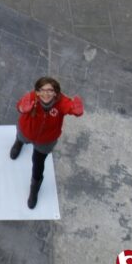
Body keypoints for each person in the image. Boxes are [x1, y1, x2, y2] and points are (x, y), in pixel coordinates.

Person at [10, 77, 84, 209]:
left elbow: (70, 108)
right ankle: (18, 143)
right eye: (42, 90)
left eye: (50, 90)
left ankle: (34, 189)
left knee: (38, 165)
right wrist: (22, 108)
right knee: (20, 138)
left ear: (56, 93)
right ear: (37, 92)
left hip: (45, 141)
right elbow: (19, 106)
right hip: (26, 132)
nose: (46, 93)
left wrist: (76, 111)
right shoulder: (31, 97)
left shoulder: (61, 102)